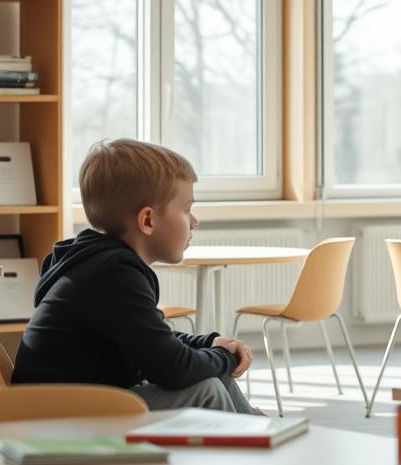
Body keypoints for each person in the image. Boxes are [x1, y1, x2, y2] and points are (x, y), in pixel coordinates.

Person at [13, 139, 258, 414]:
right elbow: (173, 369)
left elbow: (148, 340)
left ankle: (261, 431)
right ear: (148, 221)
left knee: (213, 376)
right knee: (206, 389)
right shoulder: (114, 275)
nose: (194, 221)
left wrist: (206, 344)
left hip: (77, 402)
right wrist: (225, 356)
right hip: (61, 415)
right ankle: (252, 439)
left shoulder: (100, 264)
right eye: (186, 209)